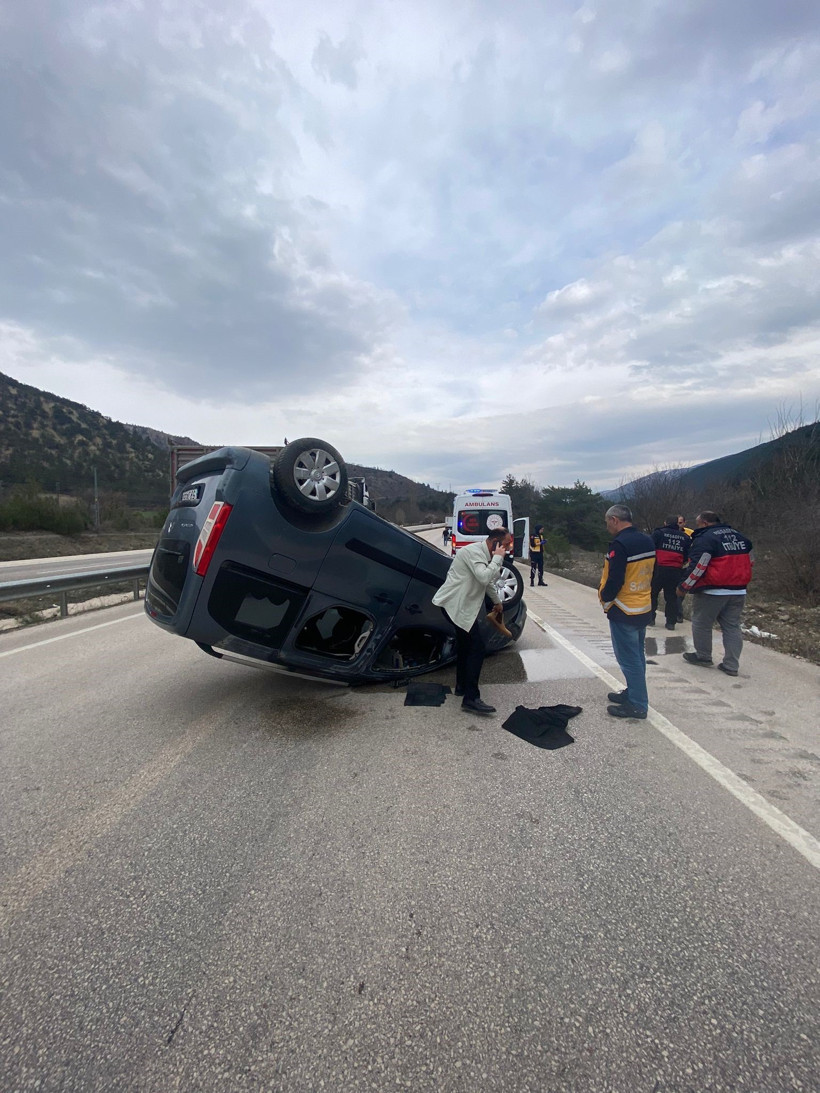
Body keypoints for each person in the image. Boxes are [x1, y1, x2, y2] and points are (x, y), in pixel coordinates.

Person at [432, 527, 512, 715]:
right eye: (506, 545)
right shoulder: (473, 552)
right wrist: (498, 558)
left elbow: (489, 581)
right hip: (455, 605)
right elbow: (484, 577)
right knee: (477, 647)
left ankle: (462, 686)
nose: (508, 548)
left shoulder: (485, 555)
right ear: (495, 543)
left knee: (466, 645)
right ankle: (471, 698)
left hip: (461, 605)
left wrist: (497, 602)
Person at [677, 511, 753, 677]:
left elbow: (699, 566)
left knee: (701, 623)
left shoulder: (705, 539)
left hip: (713, 589)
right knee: (732, 626)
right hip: (739, 589)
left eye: (698, 524)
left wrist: (684, 587)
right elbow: (750, 560)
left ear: (704, 523)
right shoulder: (740, 537)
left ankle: (703, 656)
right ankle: (731, 665)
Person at [599, 505, 656, 719]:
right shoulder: (647, 540)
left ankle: (638, 704)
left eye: (607, 522)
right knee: (637, 656)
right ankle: (633, 692)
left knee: (629, 659)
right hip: (642, 606)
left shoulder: (620, 545)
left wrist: (605, 596)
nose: (607, 527)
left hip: (624, 608)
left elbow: (615, 578)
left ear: (614, 520)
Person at [650, 514, 690, 629]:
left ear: (665, 523)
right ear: (677, 524)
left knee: (652, 594)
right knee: (672, 597)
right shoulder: (685, 537)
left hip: (658, 568)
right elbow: (687, 555)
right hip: (675, 570)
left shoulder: (658, 533)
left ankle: (650, 618)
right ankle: (671, 622)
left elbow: (650, 548)